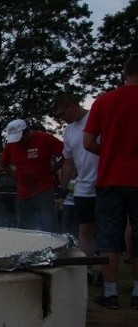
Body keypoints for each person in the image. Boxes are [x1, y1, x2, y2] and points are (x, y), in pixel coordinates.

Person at [83, 54, 138, 310]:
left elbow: (88, 142)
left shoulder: (104, 102)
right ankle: (137, 292)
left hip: (109, 178)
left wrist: (108, 153)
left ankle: (110, 292)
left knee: (107, 236)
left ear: (124, 73)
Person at [54, 93, 99, 283]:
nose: (61, 118)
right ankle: (87, 269)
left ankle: (105, 272)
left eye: (62, 114)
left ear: (72, 107)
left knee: (106, 230)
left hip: (105, 184)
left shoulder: (96, 120)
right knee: (85, 229)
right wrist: (62, 191)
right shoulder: (69, 131)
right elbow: (68, 164)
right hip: (83, 186)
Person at [0, 119, 63, 233]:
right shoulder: (11, 145)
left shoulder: (45, 139)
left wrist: (55, 167)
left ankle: (54, 245)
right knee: (24, 226)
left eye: (20, 139)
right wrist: (13, 173)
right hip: (23, 191)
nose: (18, 142)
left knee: (49, 223)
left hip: (43, 189)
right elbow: (3, 163)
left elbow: (66, 153)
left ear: (26, 132)